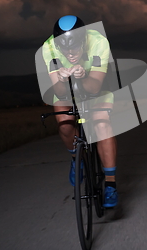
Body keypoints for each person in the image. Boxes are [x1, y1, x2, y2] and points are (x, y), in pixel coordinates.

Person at [42, 15, 118, 208]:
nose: (70, 53)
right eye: (65, 48)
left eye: (75, 46)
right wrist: (60, 79)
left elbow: (94, 87)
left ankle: (110, 184)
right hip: (65, 88)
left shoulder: (99, 42)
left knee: (101, 123)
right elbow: (59, 92)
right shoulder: (49, 48)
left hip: (96, 84)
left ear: (84, 40)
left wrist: (82, 77)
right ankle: (77, 160)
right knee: (65, 124)